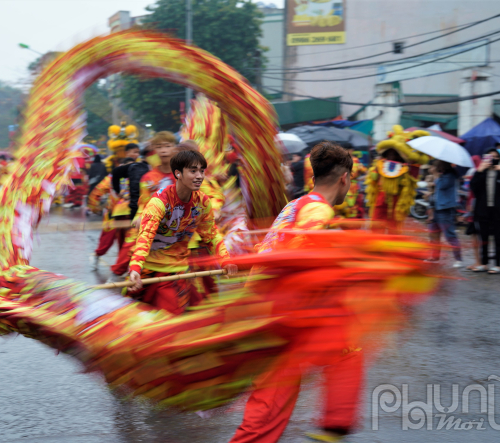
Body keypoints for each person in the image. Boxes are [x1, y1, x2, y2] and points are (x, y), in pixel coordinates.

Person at [230, 141, 362, 443]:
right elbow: (299, 258)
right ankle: (335, 424)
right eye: (351, 180)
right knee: (265, 415)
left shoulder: (295, 205)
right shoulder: (318, 212)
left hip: (264, 309)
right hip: (278, 317)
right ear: (345, 178)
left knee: (267, 411)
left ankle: (334, 424)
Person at [127, 150, 236, 314]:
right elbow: (145, 237)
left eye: (202, 171)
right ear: (178, 173)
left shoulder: (202, 202)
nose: (199, 176)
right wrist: (135, 267)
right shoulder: (159, 202)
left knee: (175, 316)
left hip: (177, 271)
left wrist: (226, 260)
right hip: (148, 269)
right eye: (193, 171)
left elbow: (211, 235)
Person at [111, 132, 177, 279]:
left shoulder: (183, 173)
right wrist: (140, 216)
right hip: (153, 223)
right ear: (154, 150)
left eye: (168, 146)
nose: (164, 150)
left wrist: (214, 209)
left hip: (180, 226)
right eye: (159, 147)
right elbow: (144, 202)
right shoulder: (148, 177)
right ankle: (118, 274)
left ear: (174, 148)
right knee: (131, 243)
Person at [470, 148, 500, 274]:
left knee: (499, 238)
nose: (492, 159)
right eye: (490, 156)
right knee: (482, 238)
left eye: (495, 157)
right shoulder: (481, 172)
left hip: (499, 212)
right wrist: (479, 170)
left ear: (499, 159)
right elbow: (474, 188)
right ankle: (483, 264)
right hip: (483, 211)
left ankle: (498, 265)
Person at [426, 161, 463, 267]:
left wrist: (435, 174)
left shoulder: (450, 176)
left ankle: (458, 259)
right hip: (436, 209)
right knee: (433, 235)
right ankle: (434, 257)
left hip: (445, 210)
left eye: (438, 164)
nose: (436, 166)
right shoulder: (442, 175)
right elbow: (435, 191)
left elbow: (441, 185)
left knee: (450, 235)